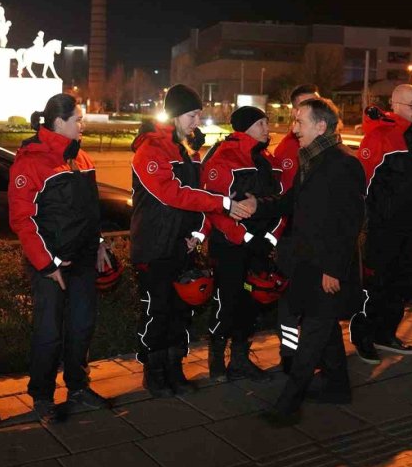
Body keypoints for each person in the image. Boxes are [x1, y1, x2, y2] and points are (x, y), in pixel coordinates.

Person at [130, 84, 254, 397]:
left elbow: (200, 195)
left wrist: (198, 233)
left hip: (181, 246)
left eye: (199, 114)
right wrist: (223, 204)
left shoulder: (185, 151)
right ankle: (154, 372)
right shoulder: (150, 150)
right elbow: (173, 194)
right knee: (156, 311)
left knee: (181, 311)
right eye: (191, 114)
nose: (196, 120)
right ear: (173, 115)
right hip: (154, 246)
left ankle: (175, 368)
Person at [9, 94, 111, 424]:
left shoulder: (82, 159)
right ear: (58, 123)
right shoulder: (31, 161)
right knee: (49, 332)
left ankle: (78, 387)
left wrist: (98, 243)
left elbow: (90, 212)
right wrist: (47, 264)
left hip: (82, 262)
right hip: (50, 266)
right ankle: (42, 395)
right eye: (78, 120)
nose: (82, 125)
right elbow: (22, 220)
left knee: (81, 327)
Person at [262, 98, 365, 422]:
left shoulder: (343, 164)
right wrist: (257, 204)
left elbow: (349, 224)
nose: (294, 129)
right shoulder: (312, 158)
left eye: (299, 122)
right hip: (309, 262)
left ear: (321, 127)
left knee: (312, 336)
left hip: (327, 268)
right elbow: (293, 201)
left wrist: (333, 270)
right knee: (323, 327)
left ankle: (288, 405)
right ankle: (338, 387)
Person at [201, 106, 285, 382]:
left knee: (252, 303)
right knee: (227, 303)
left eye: (266, 122)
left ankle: (240, 359)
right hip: (231, 247)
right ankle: (216, 360)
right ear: (245, 128)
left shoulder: (267, 159)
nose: (267, 127)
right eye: (261, 123)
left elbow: (281, 205)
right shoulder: (224, 157)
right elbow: (215, 208)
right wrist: (246, 238)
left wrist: (270, 238)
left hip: (260, 248)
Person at [349, 84, 412, 364]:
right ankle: (363, 337)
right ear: (395, 105)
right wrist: (365, 226)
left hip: (407, 228)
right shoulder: (380, 137)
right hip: (381, 228)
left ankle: (385, 334)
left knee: (398, 285)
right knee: (374, 286)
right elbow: (364, 185)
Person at [271, 84, 318, 373]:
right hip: (291, 238)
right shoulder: (288, 149)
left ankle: (313, 352)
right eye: (303, 105)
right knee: (290, 300)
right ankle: (289, 354)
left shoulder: (324, 146)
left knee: (316, 301)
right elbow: (284, 198)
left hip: (317, 239)